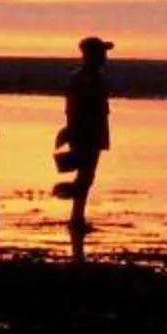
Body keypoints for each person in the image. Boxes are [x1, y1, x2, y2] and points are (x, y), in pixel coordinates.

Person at [53, 34, 113, 234]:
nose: (105, 57)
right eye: (102, 53)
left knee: (86, 175)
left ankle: (76, 215)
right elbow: (79, 109)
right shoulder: (86, 78)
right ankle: (75, 216)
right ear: (92, 55)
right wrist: (75, 131)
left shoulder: (81, 77)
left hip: (87, 133)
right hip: (88, 134)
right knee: (86, 175)